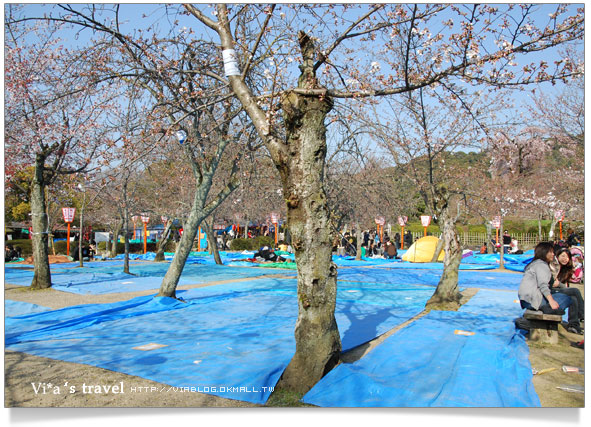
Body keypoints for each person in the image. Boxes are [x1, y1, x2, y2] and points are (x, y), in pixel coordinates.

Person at [518, 242, 572, 317]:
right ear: (544, 252)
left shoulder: (534, 263)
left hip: (526, 300)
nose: (553, 254)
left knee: (571, 294)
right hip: (533, 301)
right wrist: (551, 301)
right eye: (551, 252)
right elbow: (543, 285)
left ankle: (578, 319)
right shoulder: (542, 265)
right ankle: (550, 309)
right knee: (568, 298)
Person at [549, 247, 584, 334]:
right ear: (558, 256)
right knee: (575, 291)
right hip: (549, 292)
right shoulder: (553, 266)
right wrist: (561, 285)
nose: (565, 259)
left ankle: (573, 325)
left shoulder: (567, 270)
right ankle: (583, 315)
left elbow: (565, 287)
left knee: (573, 298)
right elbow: (553, 284)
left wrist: (560, 285)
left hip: (558, 291)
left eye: (567, 257)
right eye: (563, 256)